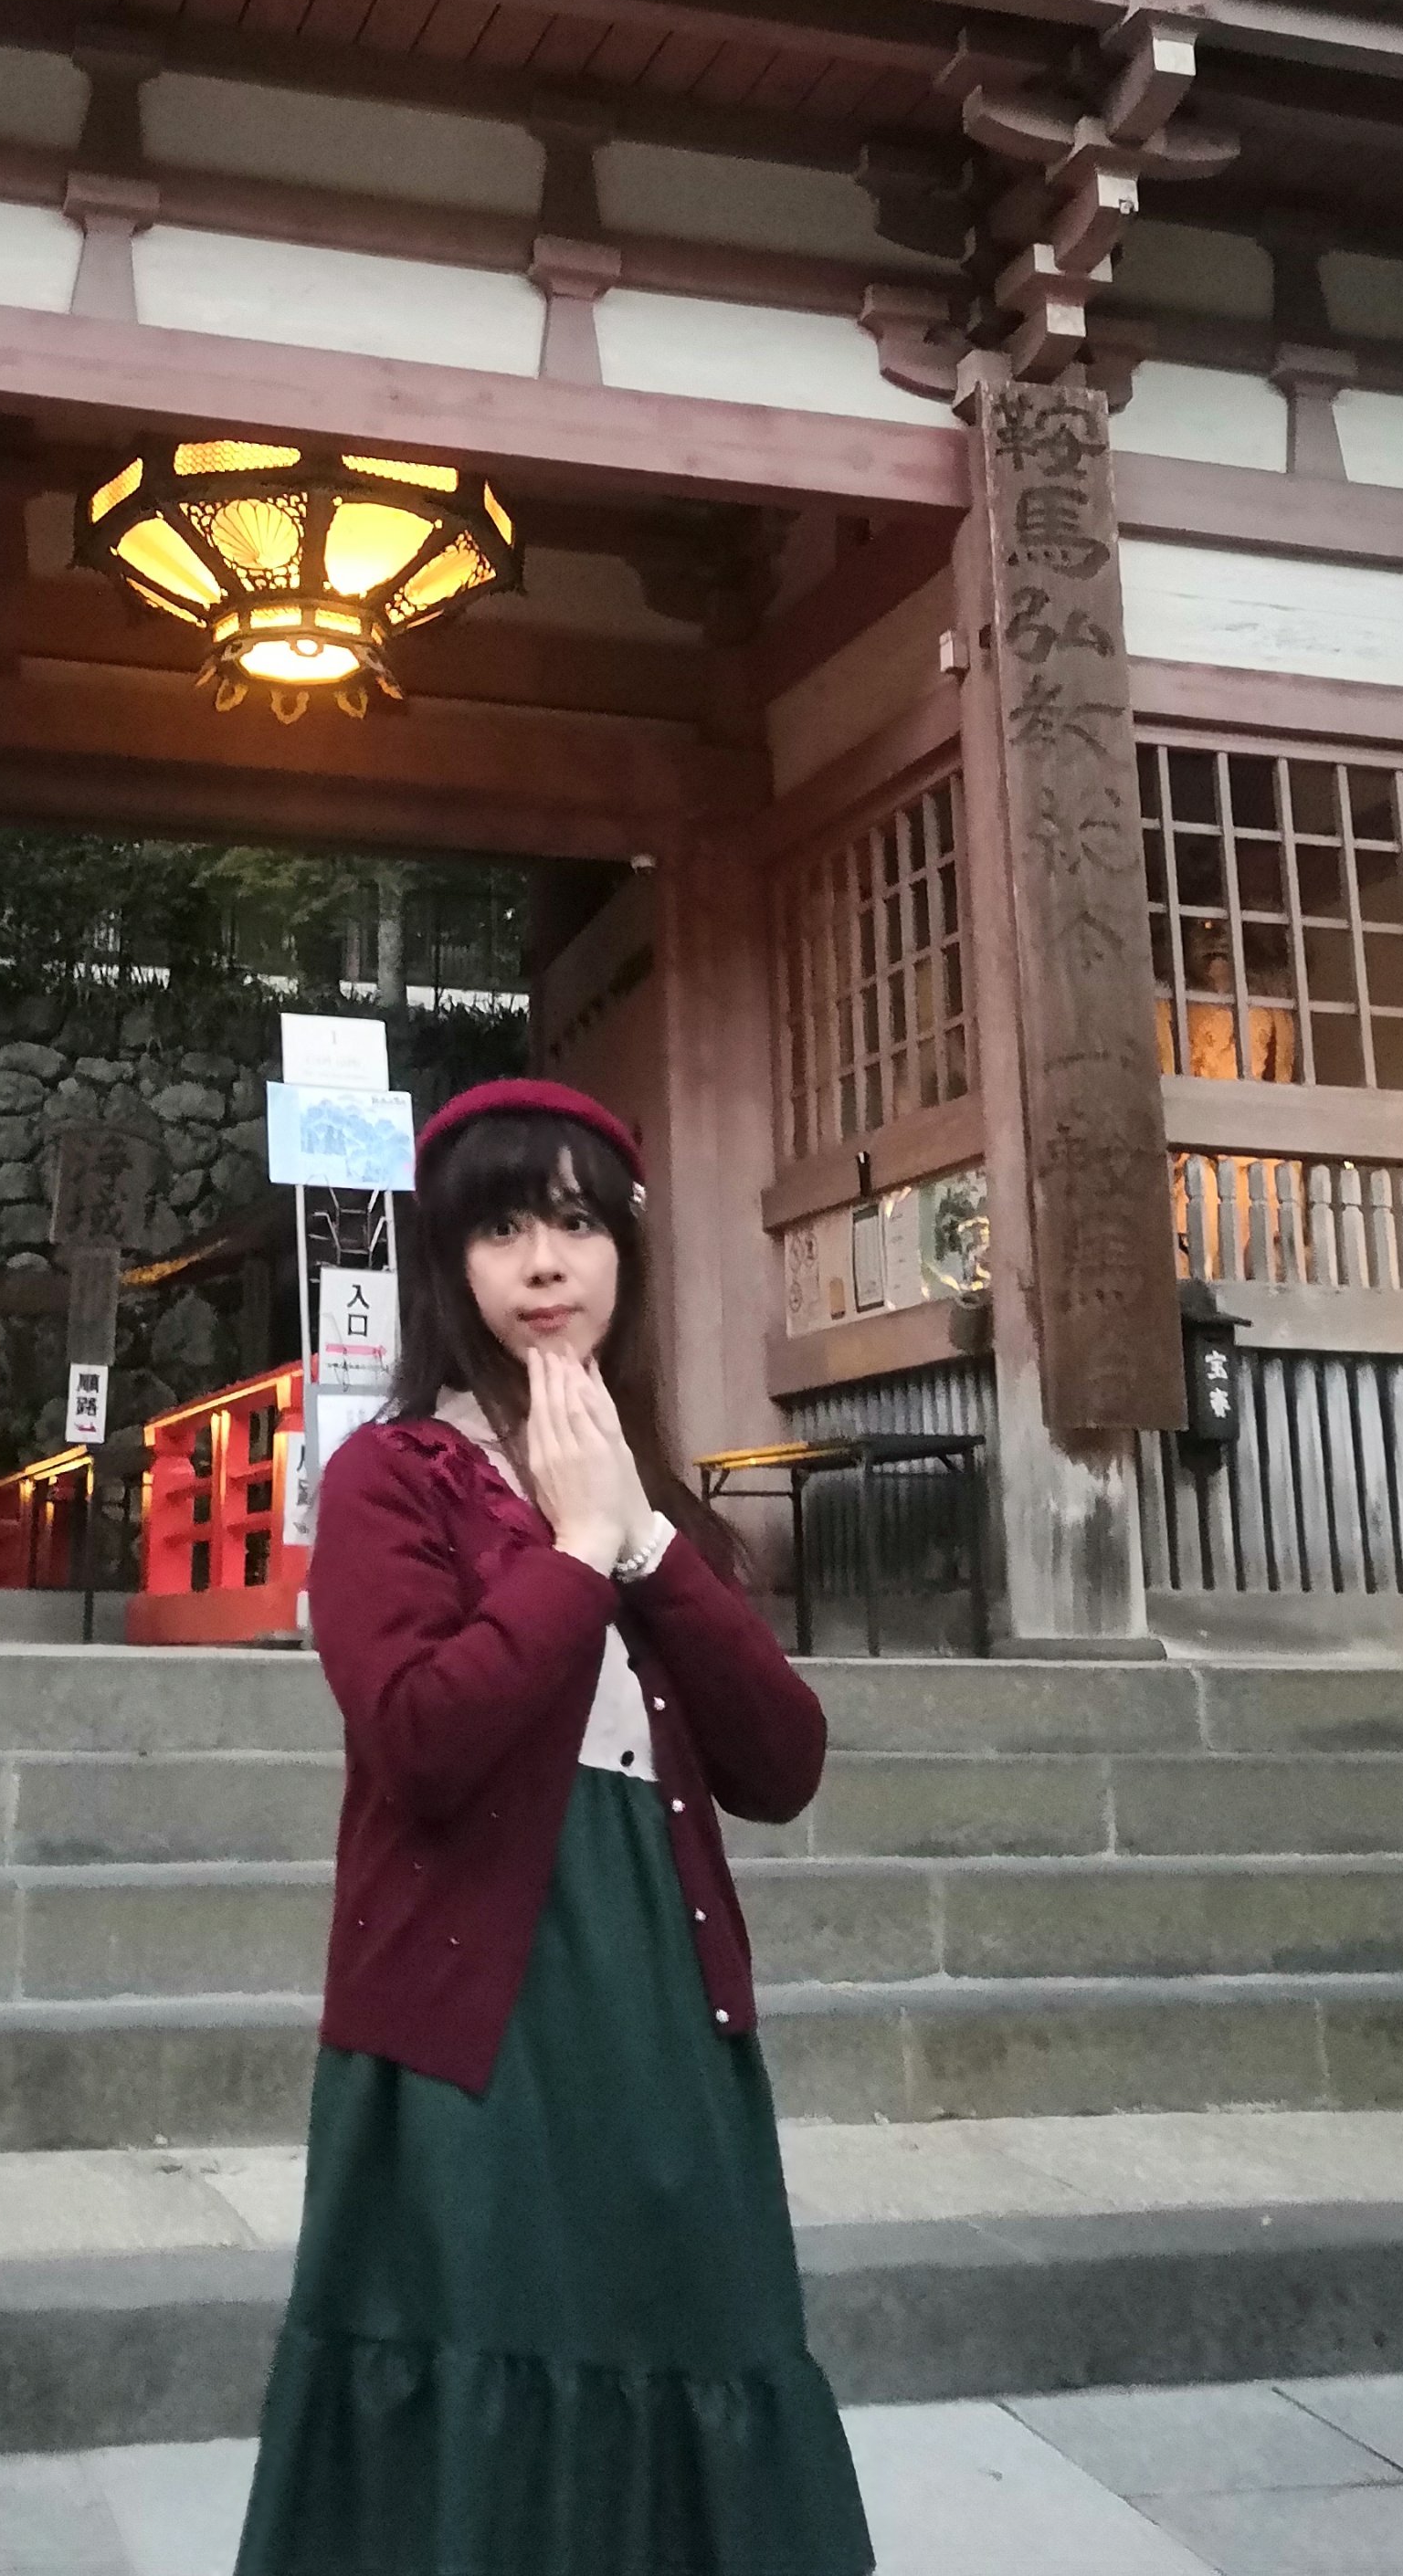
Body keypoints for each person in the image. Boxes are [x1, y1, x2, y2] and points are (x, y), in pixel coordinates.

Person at [234, 1077, 872, 2576]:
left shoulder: (654, 1509)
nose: (542, 1264)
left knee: (690, 2332)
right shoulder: (394, 1478)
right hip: (472, 2005)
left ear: (625, 1256)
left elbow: (781, 1762)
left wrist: (642, 1538)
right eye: (501, 1230)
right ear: (449, 1265)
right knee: (478, 2353)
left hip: (658, 1985)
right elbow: (420, 1737)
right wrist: (575, 1554)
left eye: (578, 1226)